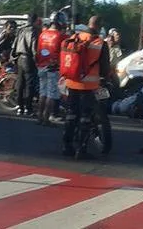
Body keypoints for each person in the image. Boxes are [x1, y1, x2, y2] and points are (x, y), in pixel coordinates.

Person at [62, 15, 111, 160]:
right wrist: (105, 79)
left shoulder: (76, 36)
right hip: (88, 85)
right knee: (85, 117)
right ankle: (81, 150)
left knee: (71, 114)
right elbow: (104, 68)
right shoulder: (100, 43)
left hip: (71, 81)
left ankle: (66, 145)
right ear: (99, 26)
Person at [36, 11, 68, 126]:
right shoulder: (62, 36)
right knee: (51, 94)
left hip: (41, 66)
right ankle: (46, 118)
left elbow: (38, 51)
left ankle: (39, 117)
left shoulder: (42, 34)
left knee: (42, 93)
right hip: (53, 68)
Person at [12, 13, 42, 116]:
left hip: (19, 57)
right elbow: (34, 48)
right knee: (29, 85)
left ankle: (19, 107)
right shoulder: (33, 31)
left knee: (20, 84)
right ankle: (28, 108)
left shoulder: (21, 30)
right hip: (28, 59)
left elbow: (14, 45)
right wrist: (36, 59)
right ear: (35, 20)